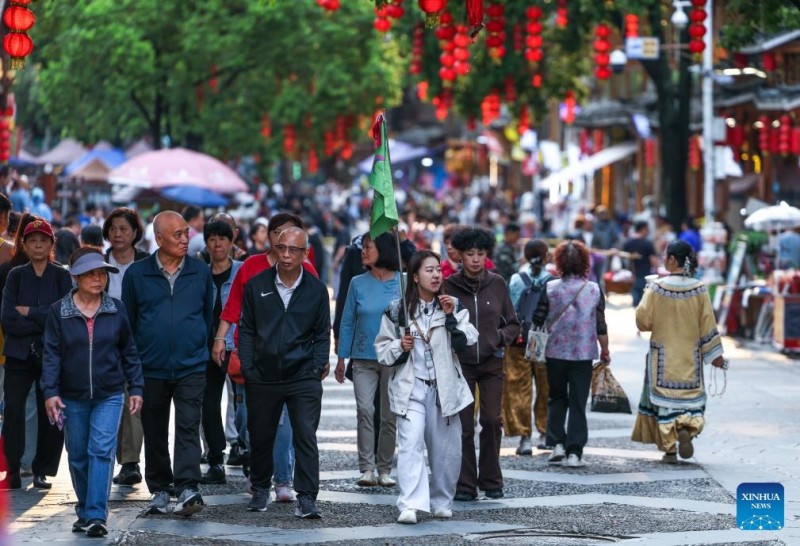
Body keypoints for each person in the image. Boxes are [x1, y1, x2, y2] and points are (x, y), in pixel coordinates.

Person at [212, 212, 317, 503]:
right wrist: (221, 338)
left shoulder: (306, 269)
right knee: (248, 421)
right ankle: (258, 471)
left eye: (290, 233)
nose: (283, 240)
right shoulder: (252, 266)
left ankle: (282, 480)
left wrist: (316, 356)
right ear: (269, 236)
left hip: (290, 361)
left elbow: (316, 313)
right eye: (277, 233)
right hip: (250, 356)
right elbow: (233, 305)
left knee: (283, 421)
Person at [41, 248, 144, 537]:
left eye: (101, 273)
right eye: (90, 274)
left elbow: (129, 351)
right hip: (71, 396)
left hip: (109, 393)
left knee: (101, 451)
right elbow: (51, 355)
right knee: (77, 455)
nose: (98, 279)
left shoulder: (116, 308)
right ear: (75, 277)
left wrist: (136, 387)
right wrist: (50, 392)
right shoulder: (58, 311)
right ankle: (85, 510)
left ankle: (97, 515)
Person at [375, 250, 477, 524]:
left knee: (446, 449)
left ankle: (442, 500)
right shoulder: (398, 310)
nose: (435, 275)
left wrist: (451, 317)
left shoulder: (452, 305)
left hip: (444, 388)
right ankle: (410, 503)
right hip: (411, 388)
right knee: (410, 444)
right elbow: (382, 350)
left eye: (437, 270)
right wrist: (400, 345)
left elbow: (468, 339)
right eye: (428, 270)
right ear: (415, 277)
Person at [122, 210, 213, 516]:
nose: (185, 239)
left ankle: (188, 487)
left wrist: (197, 346)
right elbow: (130, 321)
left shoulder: (200, 272)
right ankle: (161, 488)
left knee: (188, 426)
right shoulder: (137, 274)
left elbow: (207, 316)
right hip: (150, 366)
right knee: (154, 428)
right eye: (177, 235)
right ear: (158, 239)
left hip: (191, 365)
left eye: (186, 232)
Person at [237, 227, 331, 518]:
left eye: (294, 250)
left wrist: (316, 367)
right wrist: (249, 367)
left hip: (303, 375)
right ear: (274, 249)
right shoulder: (257, 285)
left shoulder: (315, 289)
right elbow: (247, 330)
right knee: (261, 435)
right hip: (263, 374)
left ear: (306, 254)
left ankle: (307, 497)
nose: (287, 255)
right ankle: (261, 488)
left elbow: (322, 334)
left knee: (305, 435)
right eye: (281, 248)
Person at [631, 239, 726, 463]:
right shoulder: (700, 289)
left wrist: (646, 292)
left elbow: (643, 322)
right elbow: (708, 325)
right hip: (690, 359)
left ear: (672, 259)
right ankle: (687, 431)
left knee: (664, 404)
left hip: (663, 360)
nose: (664, 259)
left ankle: (670, 449)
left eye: (666, 256)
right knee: (690, 403)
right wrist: (716, 355)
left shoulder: (656, 288)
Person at [443, 227, 518, 501]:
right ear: (460, 256)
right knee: (462, 425)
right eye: (470, 254)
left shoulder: (497, 283)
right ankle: (465, 485)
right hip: (460, 365)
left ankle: (491, 480)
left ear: (487, 255)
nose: (475, 259)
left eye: (481, 254)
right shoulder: (448, 286)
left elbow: (513, 323)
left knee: (491, 420)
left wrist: (498, 338)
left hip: (491, 364)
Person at [1, 219, 72, 489]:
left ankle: (43, 469)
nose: (38, 244)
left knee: (52, 413)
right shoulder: (15, 274)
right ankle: (12, 471)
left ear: (52, 244)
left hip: (52, 355)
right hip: (19, 354)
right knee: (14, 411)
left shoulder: (62, 276)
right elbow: (8, 318)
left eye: (44, 240)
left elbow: (63, 314)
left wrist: (29, 311)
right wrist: (43, 318)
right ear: (25, 245)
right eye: (33, 240)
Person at [531, 240, 611, 468]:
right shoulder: (594, 290)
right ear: (585, 262)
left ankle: (556, 444)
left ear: (559, 263)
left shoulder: (550, 288)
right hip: (583, 355)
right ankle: (574, 452)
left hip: (554, 353)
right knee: (577, 402)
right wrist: (604, 350)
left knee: (556, 397)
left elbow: (538, 319)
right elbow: (600, 325)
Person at [334, 232, 401, 488]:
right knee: (365, 410)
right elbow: (348, 319)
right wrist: (341, 357)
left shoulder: (402, 282)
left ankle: (385, 468)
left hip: (393, 358)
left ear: (383, 250)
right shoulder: (356, 283)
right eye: (363, 247)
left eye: (368, 247)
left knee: (388, 416)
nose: (363, 252)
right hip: (362, 357)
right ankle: (367, 468)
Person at [102, 207, 149, 486]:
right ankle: (107, 457)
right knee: (108, 399)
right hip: (103, 342)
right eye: (113, 228)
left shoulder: (145, 263)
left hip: (138, 341)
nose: (118, 234)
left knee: (133, 400)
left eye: (124, 229)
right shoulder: (97, 262)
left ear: (135, 233)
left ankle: (130, 463)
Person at [200, 220, 243, 485]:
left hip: (236, 345)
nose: (217, 244)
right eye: (212, 239)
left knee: (244, 406)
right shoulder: (199, 273)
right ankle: (215, 459)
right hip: (205, 347)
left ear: (231, 242)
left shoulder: (242, 271)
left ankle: (247, 451)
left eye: (223, 239)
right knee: (208, 404)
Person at [503, 239, 554, 455]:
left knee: (519, 388)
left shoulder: (516, 279)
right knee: (546, 387)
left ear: (524, 255)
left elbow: (510, 310)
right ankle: (545, 432)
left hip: (519, 340)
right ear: (546, 256)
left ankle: (524, 438)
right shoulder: (553, 280)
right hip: (545, 339)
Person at [622, 221, 659, 308]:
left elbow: (624, 259)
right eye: (647, 229)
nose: (648, 231)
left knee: (636, 303)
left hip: (632, 276)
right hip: (645, 276)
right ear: (643, 229)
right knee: (646, 303)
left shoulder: (628, 243)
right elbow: (653, 260)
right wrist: (657, 270)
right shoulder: (647, 243)